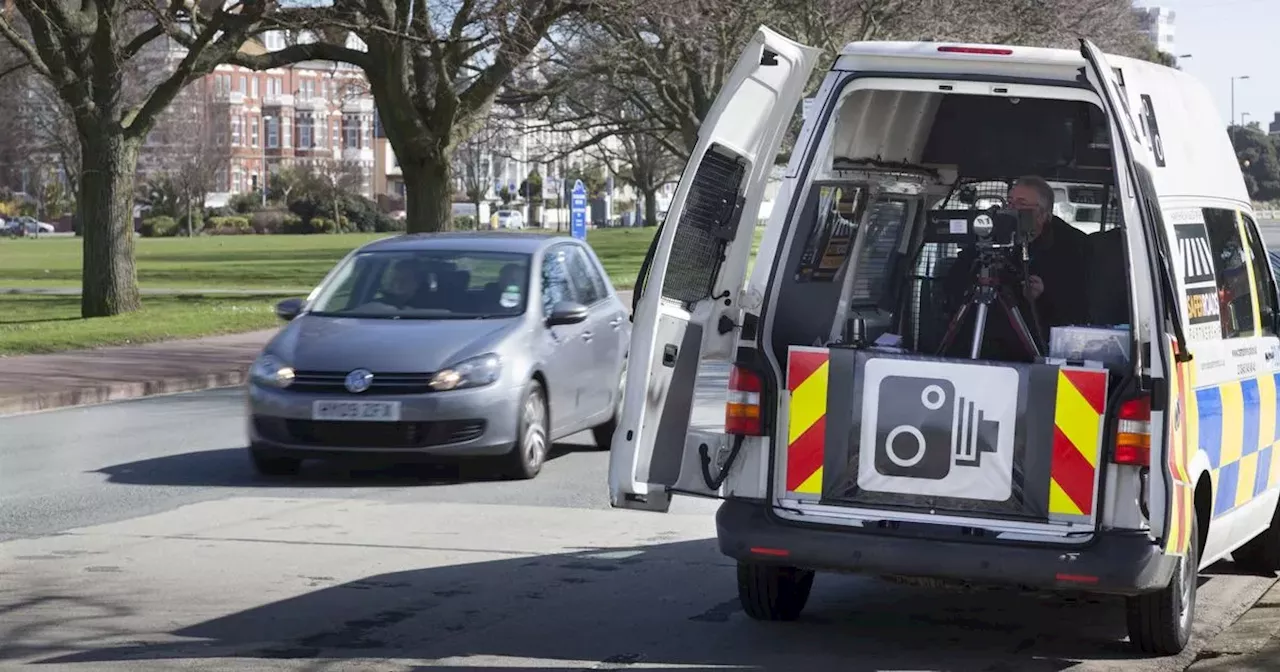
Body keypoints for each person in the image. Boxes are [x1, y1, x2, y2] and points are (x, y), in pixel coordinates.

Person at [942, 175, 1090, 360]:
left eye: (1021, 203)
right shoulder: (987, 237)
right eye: (1010, 202)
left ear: (1043, 215)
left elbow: (1078, 308)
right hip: (979, 339)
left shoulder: (1070, 248)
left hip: (1033, 347)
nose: (1012, 209)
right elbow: (952, 283)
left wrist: (1044, 294)